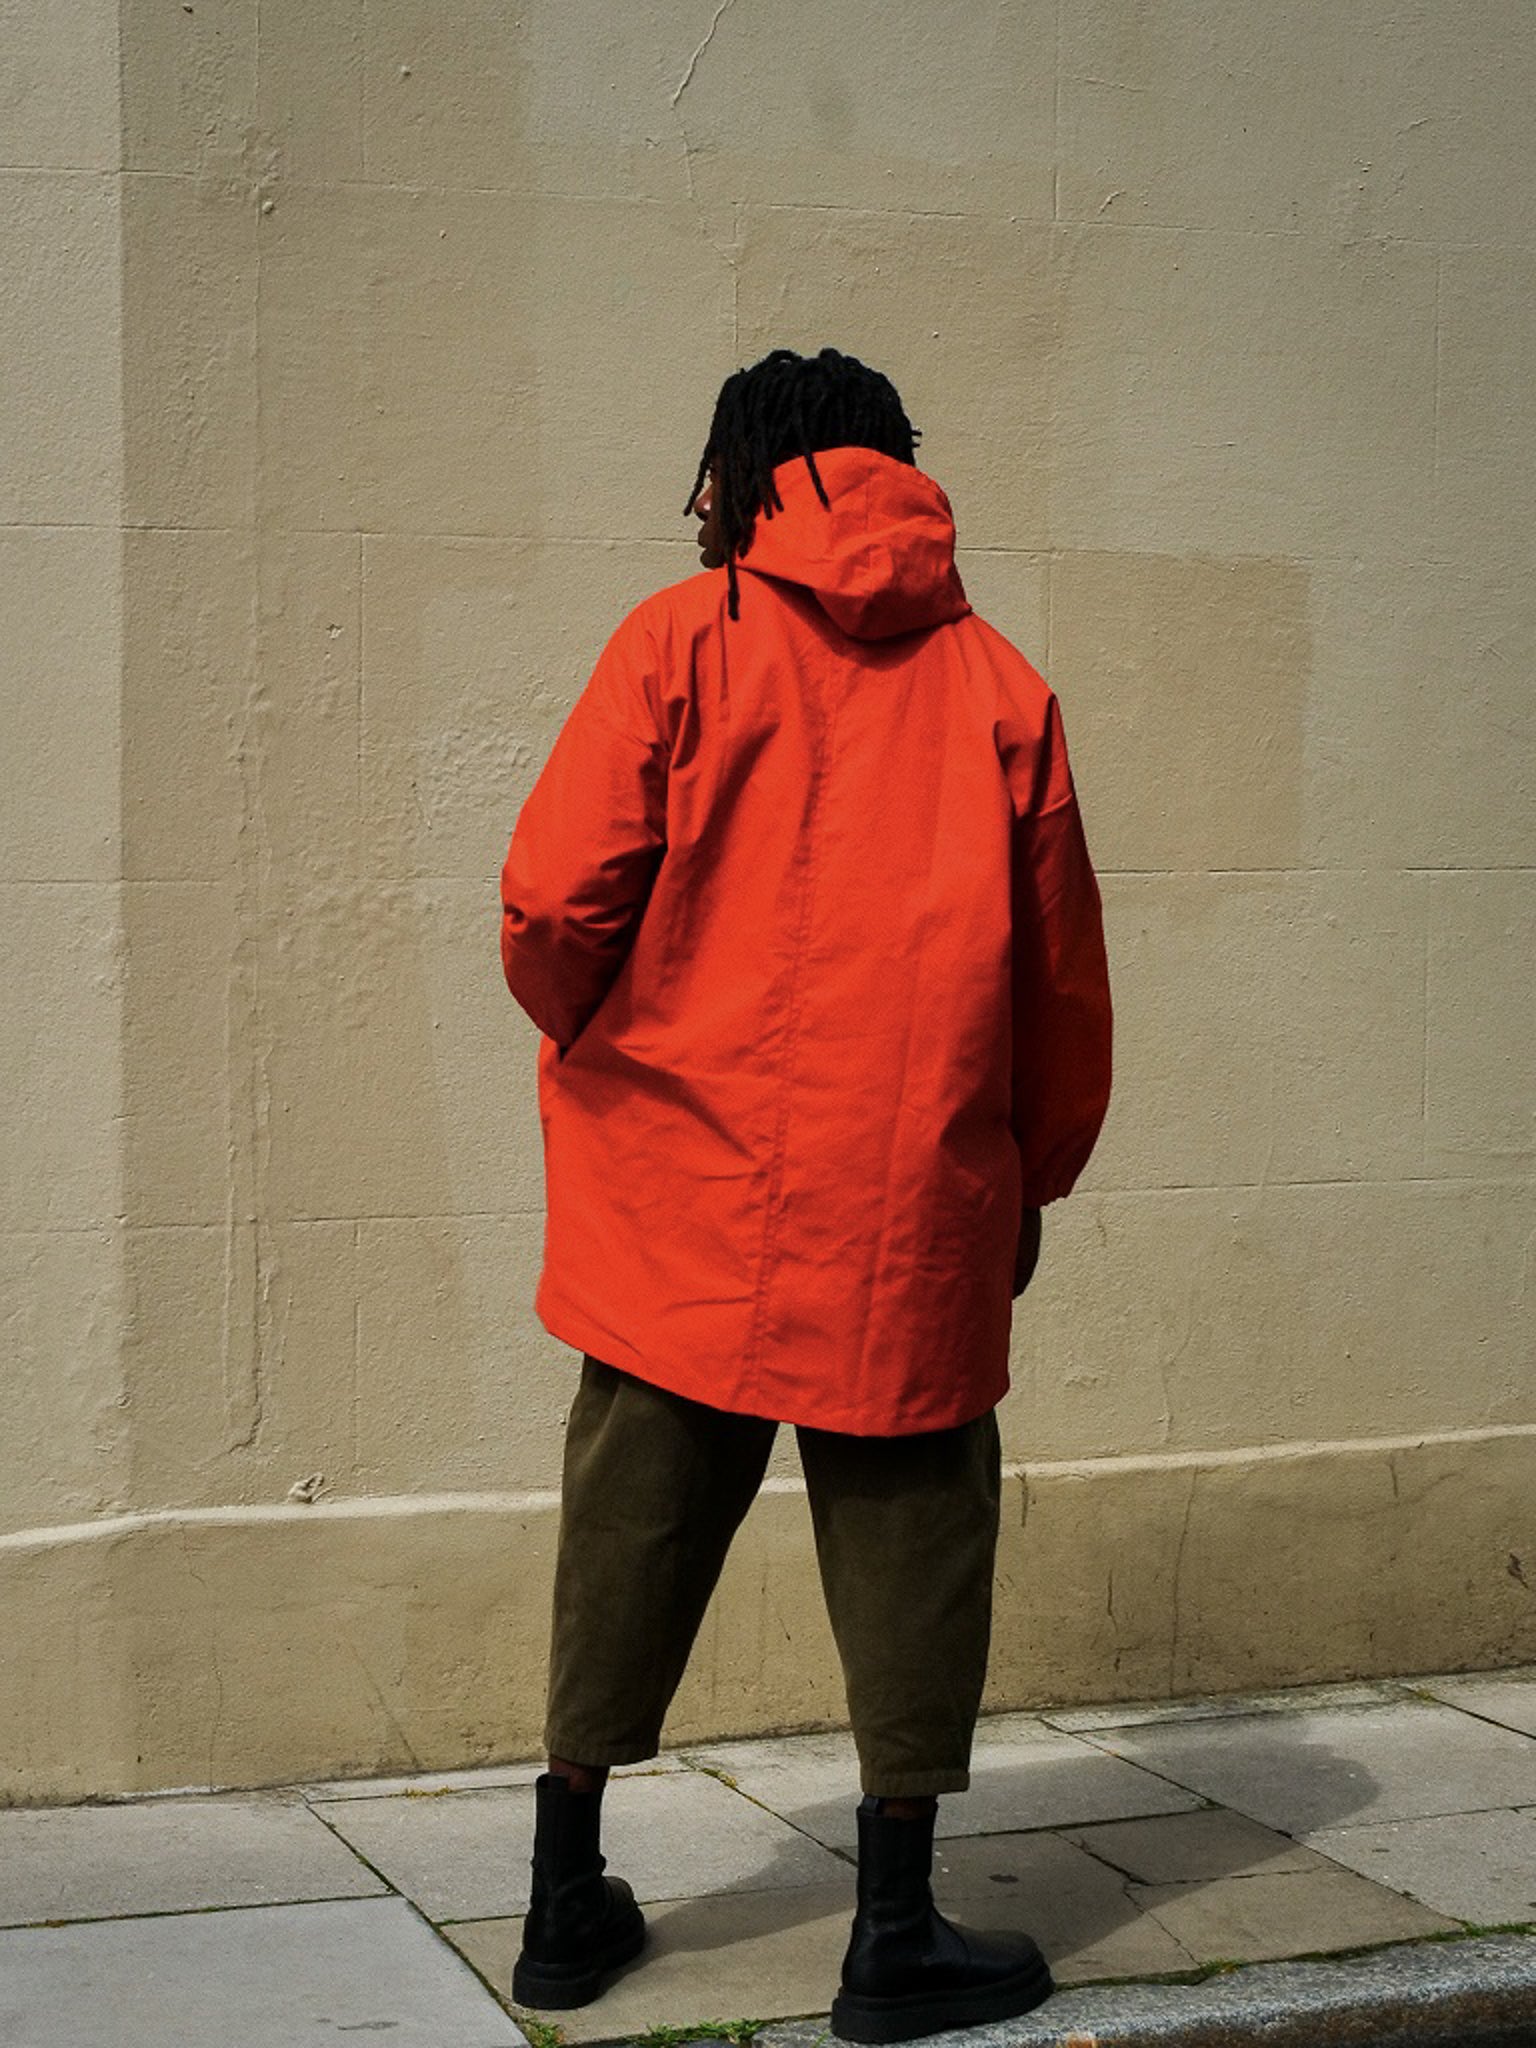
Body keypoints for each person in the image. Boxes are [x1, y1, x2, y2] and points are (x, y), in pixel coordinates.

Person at [498, 346, 1113, 2042]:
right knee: (915, 1537)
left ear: (737, 477)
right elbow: (1062, 995)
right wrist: (1026, 1179)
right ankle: (892, 1935)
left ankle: (562, 1908)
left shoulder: (678, 643)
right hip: (908, 1201)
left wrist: (608, 1049)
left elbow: (554, 907)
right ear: (893, 469)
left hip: (671, 1190)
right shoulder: (1002, 688)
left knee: (628, 1517)